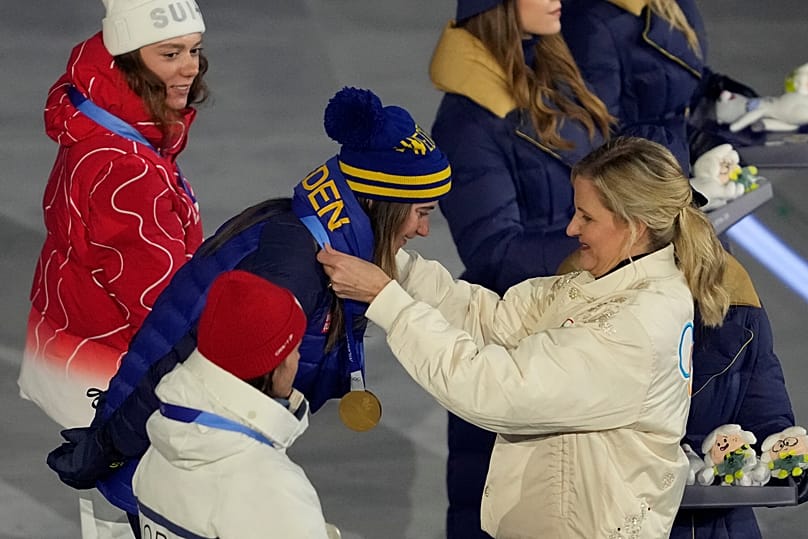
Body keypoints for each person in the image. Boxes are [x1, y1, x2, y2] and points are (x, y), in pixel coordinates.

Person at [45, 86, 452, 534]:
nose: (425, 229)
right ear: (378, 202)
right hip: (167, 460)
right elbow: (187, 360)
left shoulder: (316, 240)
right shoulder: (295, 271)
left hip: (180, 451)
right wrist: (108, 446)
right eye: (420, 212)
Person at [318, 136, 731, 538]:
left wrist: (387, 301)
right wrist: (393, 265)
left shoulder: (634, 328)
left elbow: (498, 389)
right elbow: (491, 321)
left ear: (635, 227)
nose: (571, 228)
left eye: (587, 217)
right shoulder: (603, 282)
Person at [19, 1, 207, 536]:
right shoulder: (124, 167)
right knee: (147, 515)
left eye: (194, 51)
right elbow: (162, 302)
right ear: (127, 59)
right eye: (170, 53)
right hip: (112, 369)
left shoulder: (101, 122)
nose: (190, 67)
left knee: (108, 515)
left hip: (77, 343)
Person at [427, 0, 612, 535]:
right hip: (511, 339)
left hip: (576, 317)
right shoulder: (467, 121)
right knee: (496, 512)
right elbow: (493, 249)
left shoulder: (552, 70)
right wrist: (610, 247)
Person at [132, 270, 340, 539]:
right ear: (272, 367)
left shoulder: (161, 441)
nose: (298, 359)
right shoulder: (271, 488)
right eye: (294, 349)